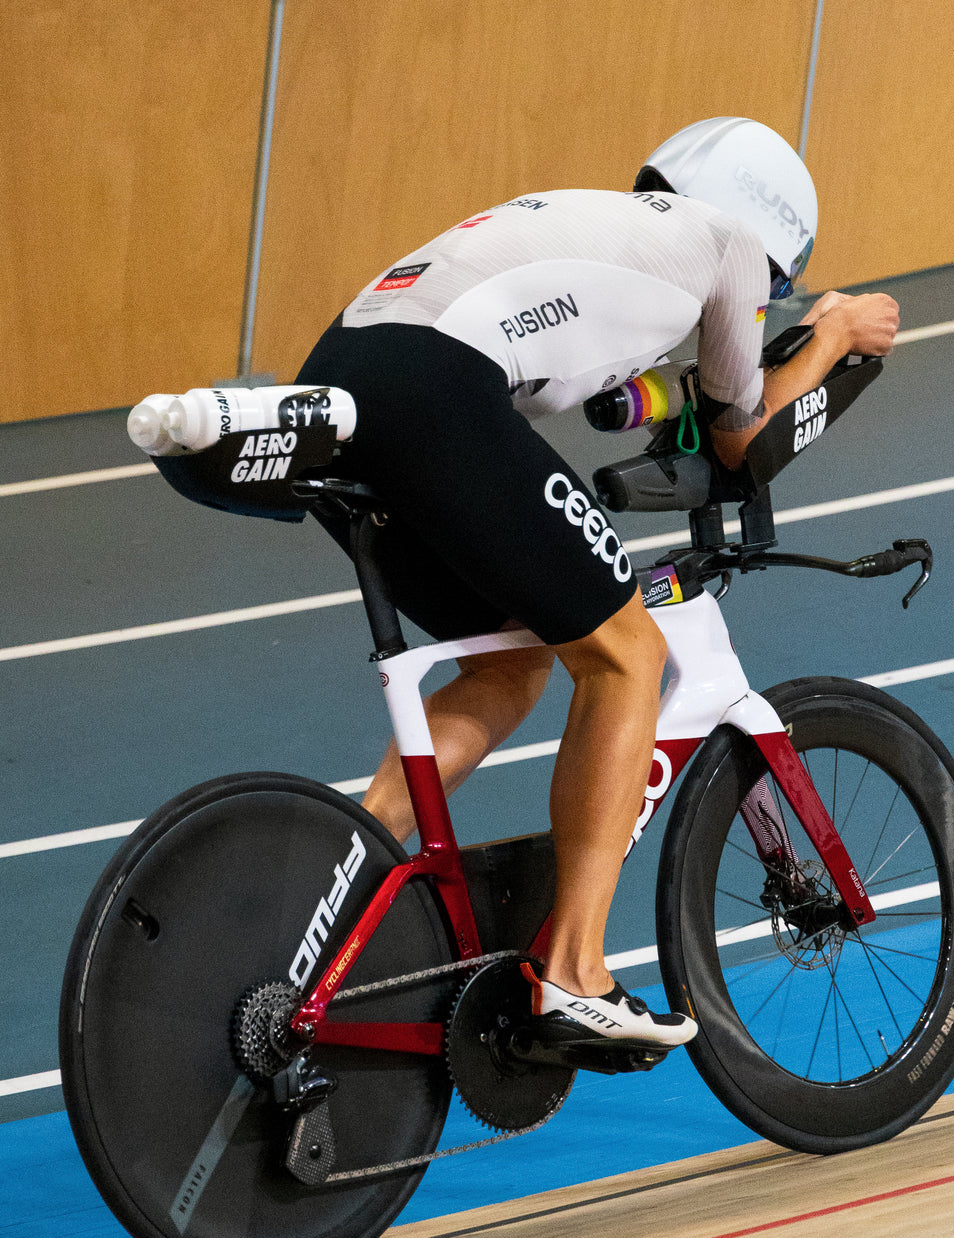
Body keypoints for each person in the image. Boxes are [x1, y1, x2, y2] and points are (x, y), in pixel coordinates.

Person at [295, 116, 899, 1057]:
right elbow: (741, 436)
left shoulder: (615, 225)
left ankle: (342, 878)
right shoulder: (727, 243)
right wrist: (827, 335)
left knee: (512, 662)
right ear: (770, 238)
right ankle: (572, 973)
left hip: (342, 378)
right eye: (776, 288)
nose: (764, 298)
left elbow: (641, 395)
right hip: (435, 389)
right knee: (626, 653)